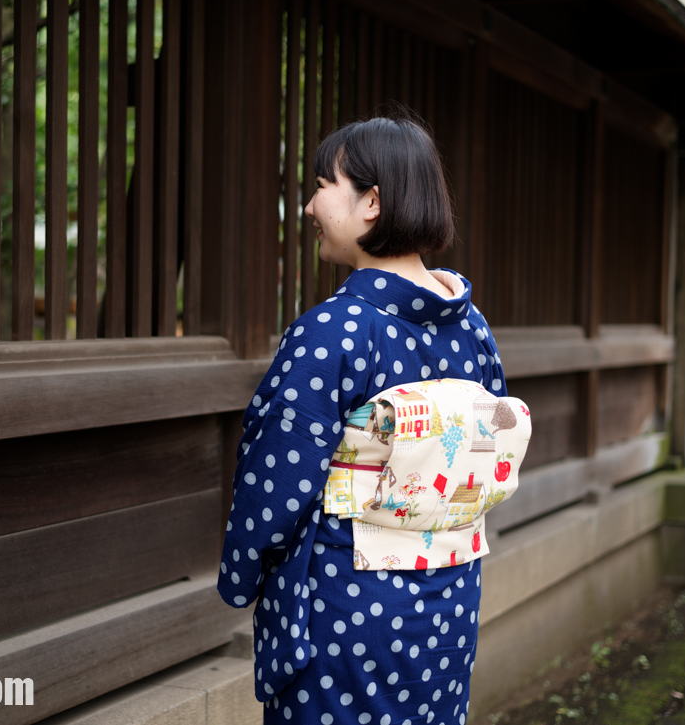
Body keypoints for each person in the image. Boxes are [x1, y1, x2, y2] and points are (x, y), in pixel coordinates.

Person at [216, 113, 506, 725]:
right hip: (450, 598)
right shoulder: (472, 328)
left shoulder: (336, 330)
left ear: (371, 202)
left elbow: (277, 481)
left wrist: (241, 576)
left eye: (322, 185)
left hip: (346, 610)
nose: (309, 206)